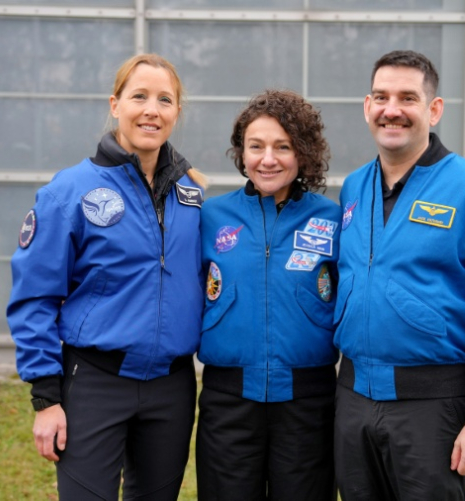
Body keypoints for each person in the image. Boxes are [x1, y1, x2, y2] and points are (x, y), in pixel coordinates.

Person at [333, 50, 465, 500]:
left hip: (431, 408)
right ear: (367, 106)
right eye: (382, 97)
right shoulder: (352, 188)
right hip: (352, 401)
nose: (393, 110)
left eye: (408, 97)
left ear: (434, 108)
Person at [6, 53, 207, 500]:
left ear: (177, 112)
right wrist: (46, 397)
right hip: (95, 382)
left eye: (165, 99)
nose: (151, 110)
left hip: (171, 388)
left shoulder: (191, 196)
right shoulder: (69, 191)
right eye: (139, 96)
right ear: (115, 105)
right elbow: (34, 296)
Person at [195, 89, 340, 501]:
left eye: (283, 146)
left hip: (308, 403)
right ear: (241, 153)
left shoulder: (330, 218)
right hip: (229, 402)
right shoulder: (211, 217)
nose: (268, 159)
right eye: (255, 146)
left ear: (304, 153)